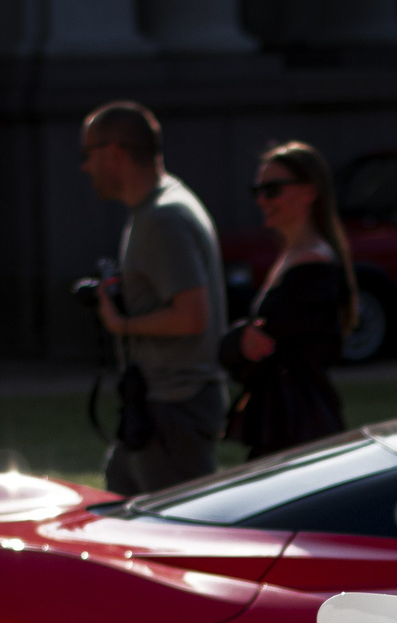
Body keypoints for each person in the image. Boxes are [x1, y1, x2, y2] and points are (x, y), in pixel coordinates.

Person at [80, 100, 227, 496]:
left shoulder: (163, 218)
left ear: (114, 153)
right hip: (158, 405)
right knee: (117, 507)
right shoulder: (156, 207)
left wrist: (120, 324)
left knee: (177, 538)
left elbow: (192, 316)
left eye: (87, 154)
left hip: (173, 408)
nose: (84, 167)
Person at [221, 142, 353, 460]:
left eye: (273, 189)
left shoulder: (312, 265)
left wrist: (236, 341)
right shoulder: (292, 257)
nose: (262, 200)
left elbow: (265, 343)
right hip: (285, 420)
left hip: (298, 426)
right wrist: (239, 340)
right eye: (258, 190)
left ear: (310, 191)